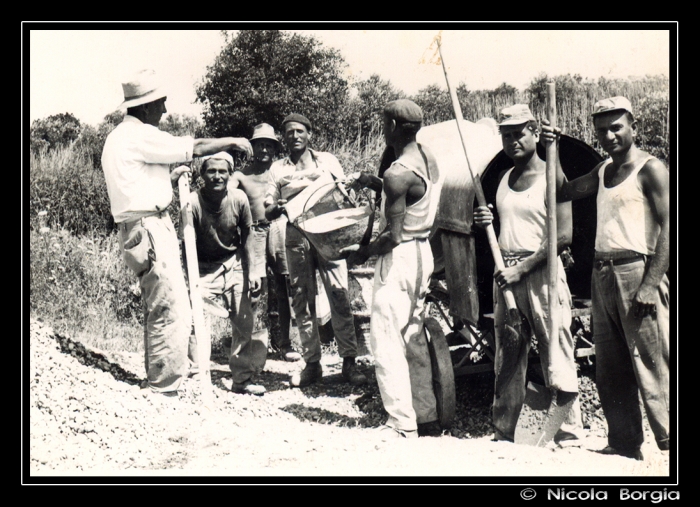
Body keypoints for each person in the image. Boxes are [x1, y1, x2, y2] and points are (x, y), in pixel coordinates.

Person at [101, 69, 252, 397]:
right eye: (161, 104)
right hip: (149, 228)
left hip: (138, 226)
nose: (165, 111)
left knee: (161, 304)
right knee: (171, 307)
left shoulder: (118, 138)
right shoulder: (139, 134)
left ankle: (161, 378)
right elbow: (194, 146)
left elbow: (133, 186)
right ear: (145, 107)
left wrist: (166, 183)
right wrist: (231, 140)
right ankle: (164, 388)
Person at [551, 96, 670, 460]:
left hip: (638, 270)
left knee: (653, 363)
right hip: (602, 272)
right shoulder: (603, 171)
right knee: (611, 366)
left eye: (616, 127)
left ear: (633, 126)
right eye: (601, 129)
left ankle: (670, 443)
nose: (609, 135)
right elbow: (563, 191)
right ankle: (623, 442)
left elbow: (671, 227)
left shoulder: (651, 169)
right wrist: (552, 150)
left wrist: (650, 284)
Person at [473, 104, 584, 445]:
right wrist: (487, 221)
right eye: (506, 136)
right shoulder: (504, 180)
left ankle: (568, 432)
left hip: (541, 274)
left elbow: (562, 236)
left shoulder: (554, 177)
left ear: (535, 132)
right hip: (506, 273)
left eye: (519, 133)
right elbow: (511, 226)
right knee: (508, 352)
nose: (512, 141)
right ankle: (506, 428)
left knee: (556, 348)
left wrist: (522, 269)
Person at [341, 99, 441, 439]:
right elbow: (412, 195)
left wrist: (362, 254)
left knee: (385, 339)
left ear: (394, 127)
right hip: (422, 251)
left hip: (399, 259)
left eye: (384, 124)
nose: (382, 129)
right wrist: (370, 181)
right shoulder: (426, 157)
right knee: (412, 335)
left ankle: (400, 422)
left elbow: (392, 235)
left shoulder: (396, 173)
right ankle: (425, 414)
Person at [264, 113, 366, 387]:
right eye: (288, 133)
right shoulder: (277, 169)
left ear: (309, 134)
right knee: (301, 298)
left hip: (329, 231)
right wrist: (281, 206)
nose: (294, 136)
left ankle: (349, 362)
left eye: (299, 131)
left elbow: (346, 193)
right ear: (283, 139)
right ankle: (312, 364)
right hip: (296, 234)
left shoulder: (328, 161)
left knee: (339, 293)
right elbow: (268, 209)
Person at [186, 151, 268, 395]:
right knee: (195, 321)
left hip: (233, 262)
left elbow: (248, 234)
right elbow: (186, 243)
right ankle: (195, 376)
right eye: (211, 171)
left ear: (230, 174)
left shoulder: (239, 199)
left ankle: (241, 379)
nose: (217, 176)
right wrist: (189, 277)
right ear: (202, 174)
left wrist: (252, 271)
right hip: (202, 267)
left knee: (245, 317)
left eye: (223, 171)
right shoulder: (192, 202)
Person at [230, 123, 299, 362]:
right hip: (254, 233)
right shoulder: (241, 175)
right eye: (259, 145)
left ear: (274, 149)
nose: (264, 150)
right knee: (254, 290)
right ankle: (247, 345)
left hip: (280, 228)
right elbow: (226, 195)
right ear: (252, 147)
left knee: (284, 285)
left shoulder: (282, 172)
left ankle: (285, 343)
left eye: (268, 146)